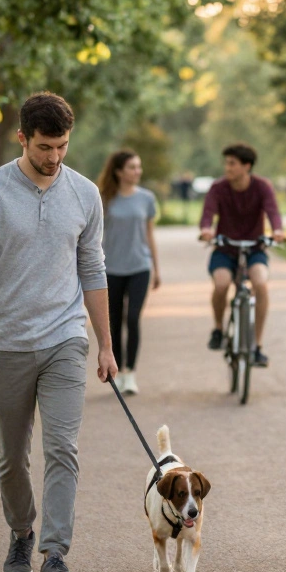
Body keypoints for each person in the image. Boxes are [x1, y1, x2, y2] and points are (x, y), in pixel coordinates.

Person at [0, 92, 116, 572]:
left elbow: (92, 269)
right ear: (23, 138)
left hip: (66, 337)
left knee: (63, 448)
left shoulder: (85, 193)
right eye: (45, 147)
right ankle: (21, 530)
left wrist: (106, 346)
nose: (54, 158)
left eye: (62, 146)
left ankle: (55, 556)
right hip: (5, 342)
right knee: (10, 456)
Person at [199, 143, 286, 367]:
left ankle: (257, 346)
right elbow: (208, 213)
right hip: (225, 249)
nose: (227, 168)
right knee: (221, 284)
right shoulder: (218, 188)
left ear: (246, 166)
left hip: (254, 249)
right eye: (226, 163)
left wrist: (277, 231)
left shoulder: (262, 187)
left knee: (260, 283)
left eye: (232, 163)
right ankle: (218, 329)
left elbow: (273, 212)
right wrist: (206, 230)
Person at [97, 149, 161, 396]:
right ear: (119, 171)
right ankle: (118, 372)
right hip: (110, 269)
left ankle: (131, 373)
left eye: (139, 167)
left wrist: (156, 268)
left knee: (132, 318)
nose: (138, 171)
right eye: (132, 167)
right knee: (113, 321)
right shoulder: (104, 199)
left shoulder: (146, 198)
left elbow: (150, 234)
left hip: (139, 267)